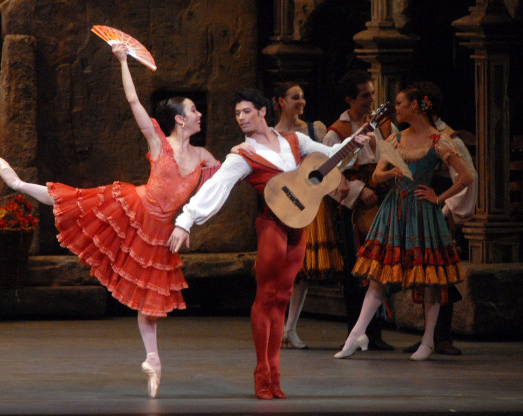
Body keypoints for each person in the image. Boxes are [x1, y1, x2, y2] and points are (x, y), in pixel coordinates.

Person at [0, 43, 220, 398]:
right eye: (194, 110)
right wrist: (122, 61)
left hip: (161, 231)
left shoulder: (205, 157)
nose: (199, 114)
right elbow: (133, 103)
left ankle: (153, 360)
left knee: (151, 302)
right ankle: (19, 184)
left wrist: (188, 222)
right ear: (179, 118)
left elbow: (216, 190)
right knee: (78, 200)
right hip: (134, 207)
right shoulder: (159, 142)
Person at [168, 87, 371, 399]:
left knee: (282, 299)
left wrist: (352, 144)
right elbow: (218, 185)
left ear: (262, 112)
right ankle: (263, 375)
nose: (241, 118)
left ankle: (276, 377)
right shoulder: (242, 154)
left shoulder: (293, 141)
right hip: (271, 227)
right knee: (266, 298)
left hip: (298, 226)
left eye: (246, 111)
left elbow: (327, 157)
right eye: (237, 114)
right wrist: (186, 220)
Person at [334, 83, 474, 361]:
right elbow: (376, 177)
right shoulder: (396, 140)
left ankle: (429, 340)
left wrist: (439, 197)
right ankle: (356, 333)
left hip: (423, 213)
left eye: (399, 103)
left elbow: (467, 177)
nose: (394, 109)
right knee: (378, 274)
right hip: (395, 210)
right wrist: (393, 171)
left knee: (429, 278)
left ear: (416, 106)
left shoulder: (438, 140)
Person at [402, 81, 477, 356]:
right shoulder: (414, 136)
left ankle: (441, 336)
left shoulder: (447, 138)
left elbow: (468, 177)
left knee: (440, 274)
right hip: (421, 211)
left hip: (438, 213)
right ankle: (429, 335)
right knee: (426, 274)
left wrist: (444, 206)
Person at [323, 71, 395, 352]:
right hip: (353, 211)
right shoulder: (336, 133)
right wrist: (357, 190)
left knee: (377, 270)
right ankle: (356, 333)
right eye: (365, 95)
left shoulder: (380, 126)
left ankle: (374, 333)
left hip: (379, 202)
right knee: (356, 273)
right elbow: (326, 176)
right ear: (349, 99)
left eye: (372, 94)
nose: (371, 99)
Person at [273, 82, 343, 349]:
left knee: (302, 270)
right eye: (294, 97)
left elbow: (328, 162)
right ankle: (277, 325)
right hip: (283, 204)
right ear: (280, 101)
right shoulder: (271, 134)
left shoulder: (315, 129)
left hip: (311, 203)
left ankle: (290, 327)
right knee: (282, 270)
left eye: (302, 97)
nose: (300, 101)